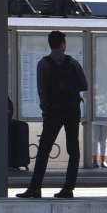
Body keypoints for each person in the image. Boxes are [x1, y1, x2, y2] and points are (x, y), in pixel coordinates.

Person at [18, 30, 88, 199]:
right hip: (72, 110)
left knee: (44, 148)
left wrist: (45, 112)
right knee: (73, 148)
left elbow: (42, 91)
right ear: (63, 44)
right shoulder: (73, 62)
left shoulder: (43, 64)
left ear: (50, 44)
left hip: (54, 110)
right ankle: (68, 189)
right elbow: (84, 85)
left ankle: (35, 188)